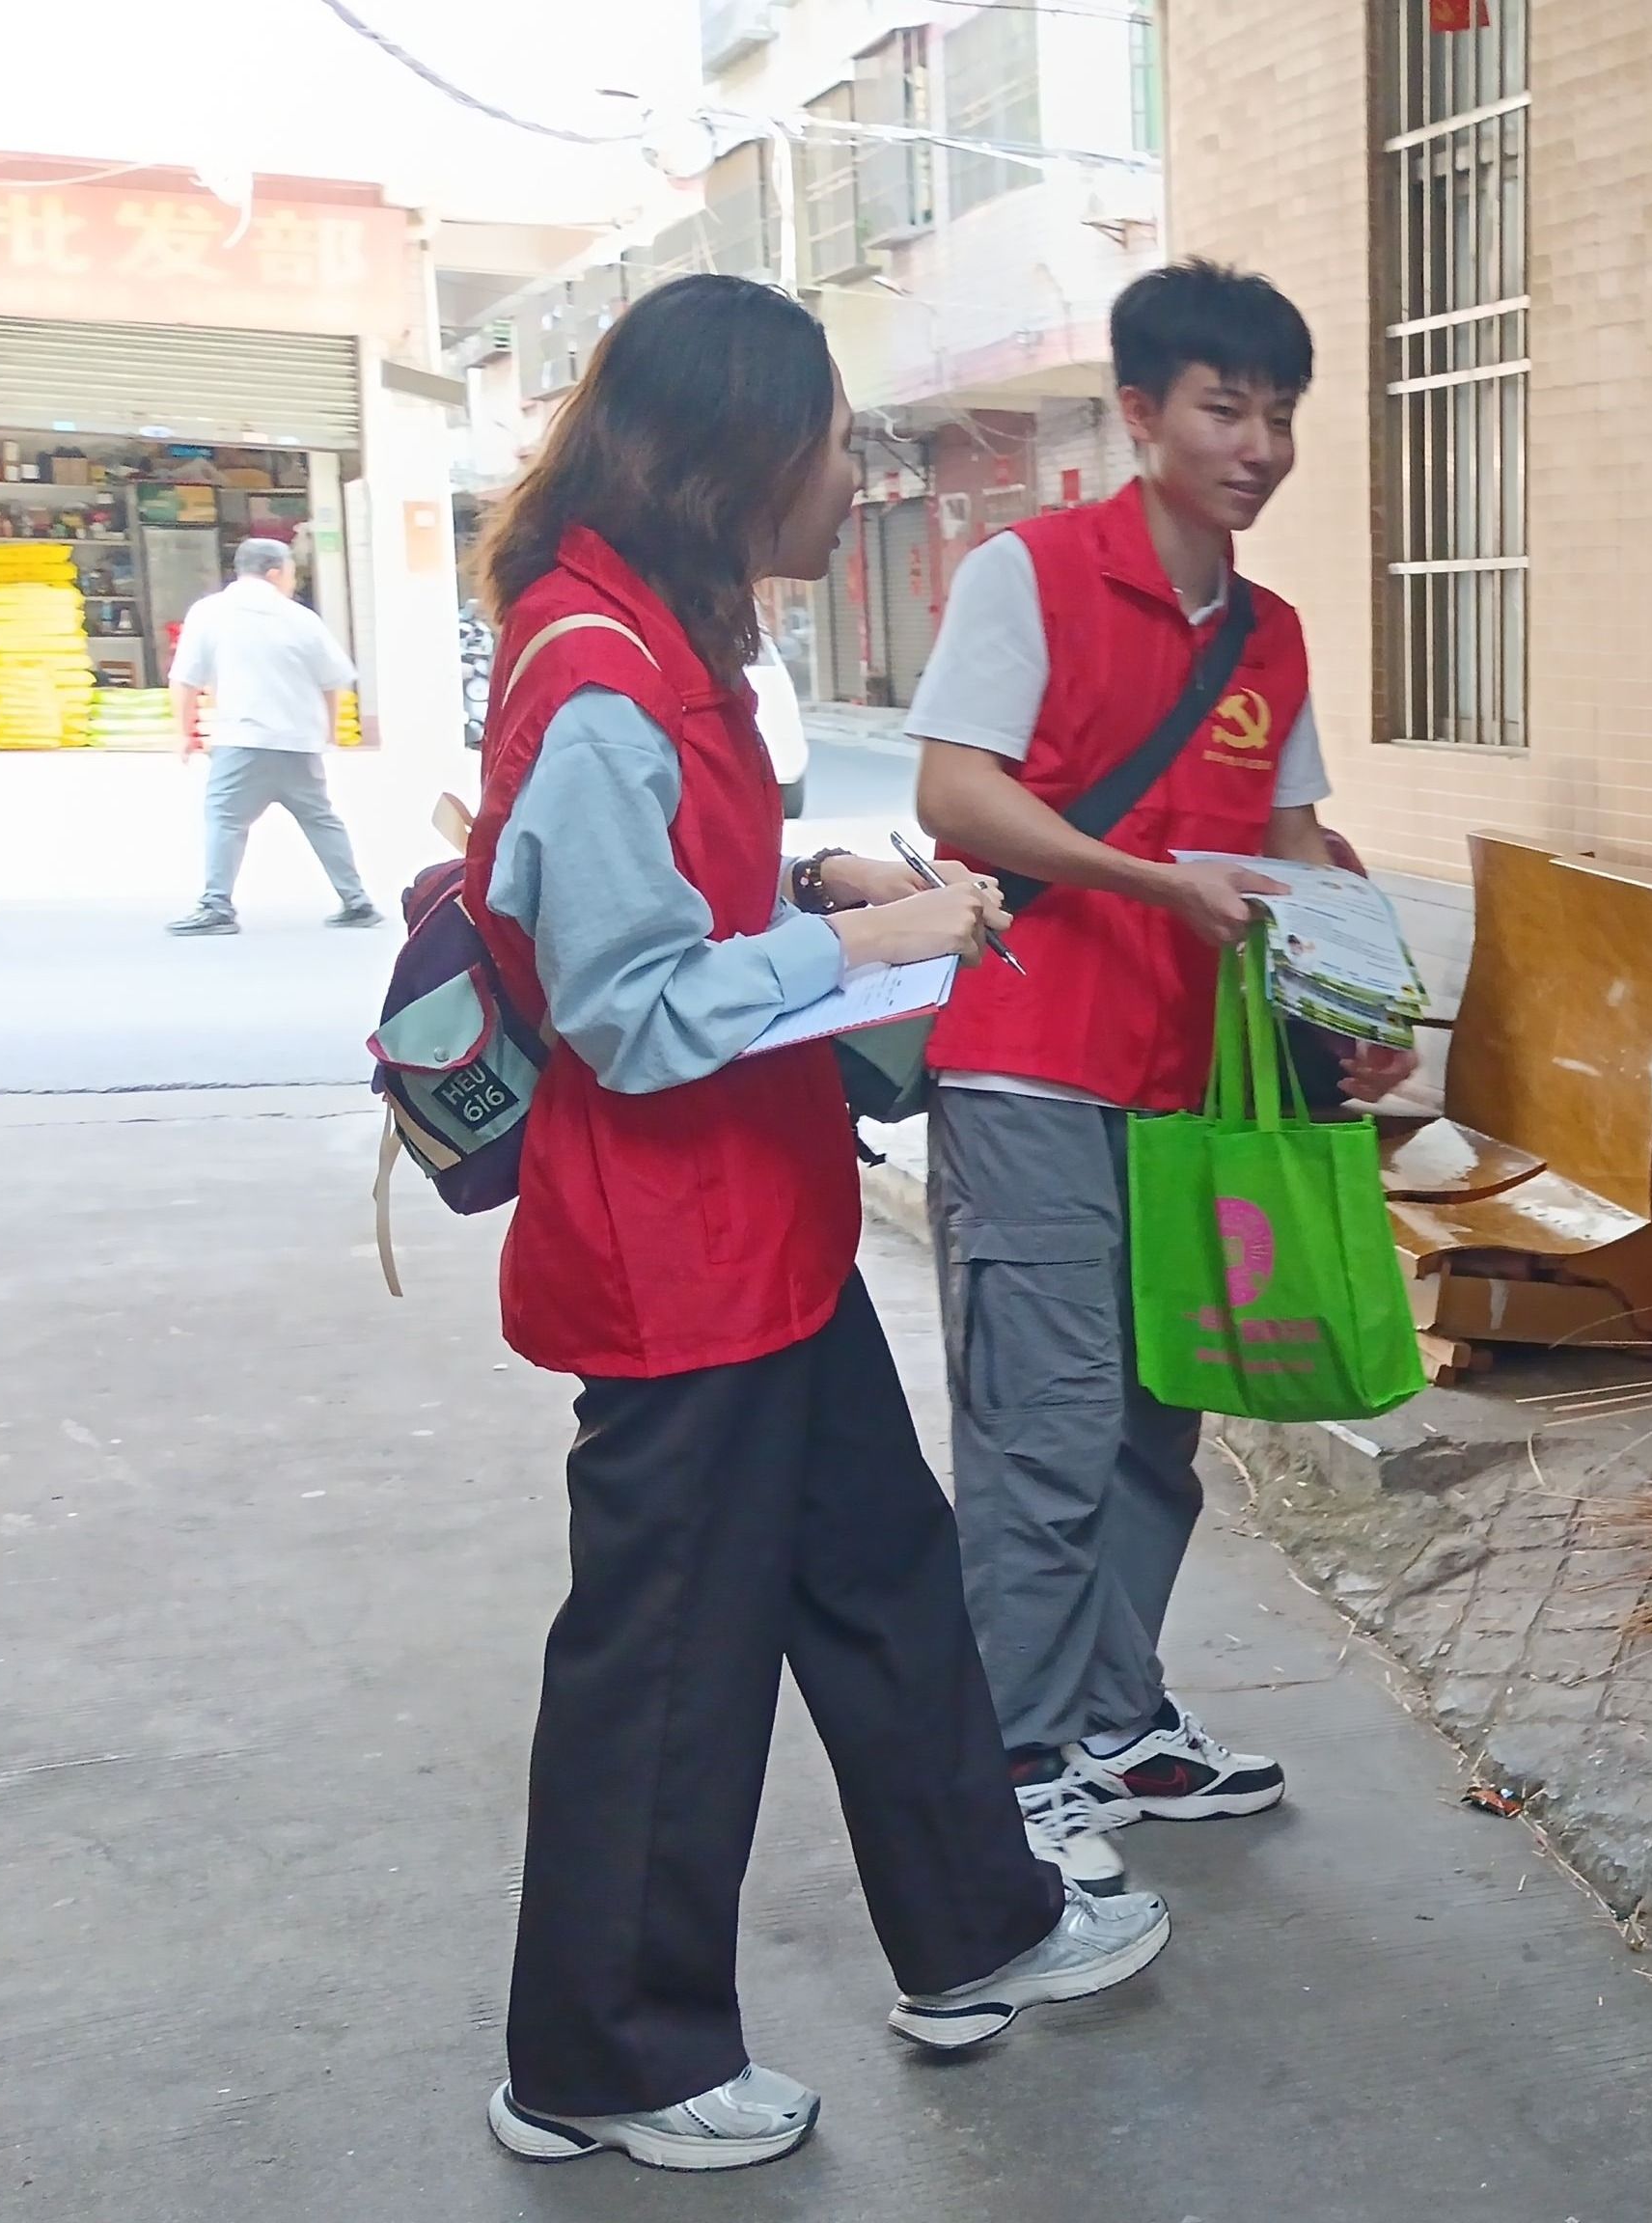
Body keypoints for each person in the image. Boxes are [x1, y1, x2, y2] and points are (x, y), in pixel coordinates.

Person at [467, 273, 1165, 2175]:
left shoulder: (660, 638)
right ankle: (600, 2062)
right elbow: (629, 1003)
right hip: (674, 1266)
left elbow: (674, 893)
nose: (852, 481)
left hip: (758, 1232)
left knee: (881, 1581)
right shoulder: (601, 676)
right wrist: (877, 940)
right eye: (828, 445)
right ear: (726, 455)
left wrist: (817, 874)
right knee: (668, 1666)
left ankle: (980, 1926)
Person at [908, 260, 1418, 1889]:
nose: (1259, 445)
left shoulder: (1271, 633)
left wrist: (1357, 1002)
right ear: (1140, 413)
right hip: (1029, 1067)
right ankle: (1014, 1765)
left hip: (1190, 1092)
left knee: (1153, 1425)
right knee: (1045, 1431)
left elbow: (1290, 845)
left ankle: (1113, 1718)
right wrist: (1149, 881)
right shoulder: (1030, 574)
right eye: (1224, 408)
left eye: (1280, 413)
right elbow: (955, 798)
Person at [162, 534, 375, 935]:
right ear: (275, 573)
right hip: (298, 743)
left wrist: (183, 732)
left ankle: (216, 906)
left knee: (225, 819)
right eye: (291, 573)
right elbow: (334, 680)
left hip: (241, 741)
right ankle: (357, 900)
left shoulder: (209, 612)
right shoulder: (300, 618)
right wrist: (327, 733)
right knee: (320, 819)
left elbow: (184, 679)